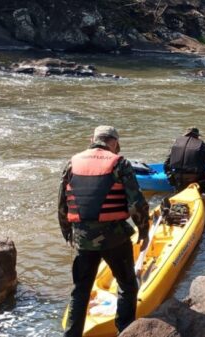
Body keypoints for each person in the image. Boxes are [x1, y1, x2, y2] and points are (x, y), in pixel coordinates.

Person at [58, 126, 150, 337]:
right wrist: (143, 232)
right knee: (127, 285)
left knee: (80, 291)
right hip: (114, 237)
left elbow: (62, 204)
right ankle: (125, 331)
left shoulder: (72, 163)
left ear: (92, 139)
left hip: (82, 238)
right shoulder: (120, 163)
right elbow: (137, 203)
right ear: (115, 143)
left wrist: (68, 233)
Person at [163, 127, 205, 193]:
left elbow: (166, 164)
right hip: (195, 177)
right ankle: (201, 194)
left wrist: (169, 175)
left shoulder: (176, 144)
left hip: (177, 176)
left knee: (179, 189)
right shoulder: (202, 145)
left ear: (186, 134)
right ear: (197, 136)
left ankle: (177, 191)